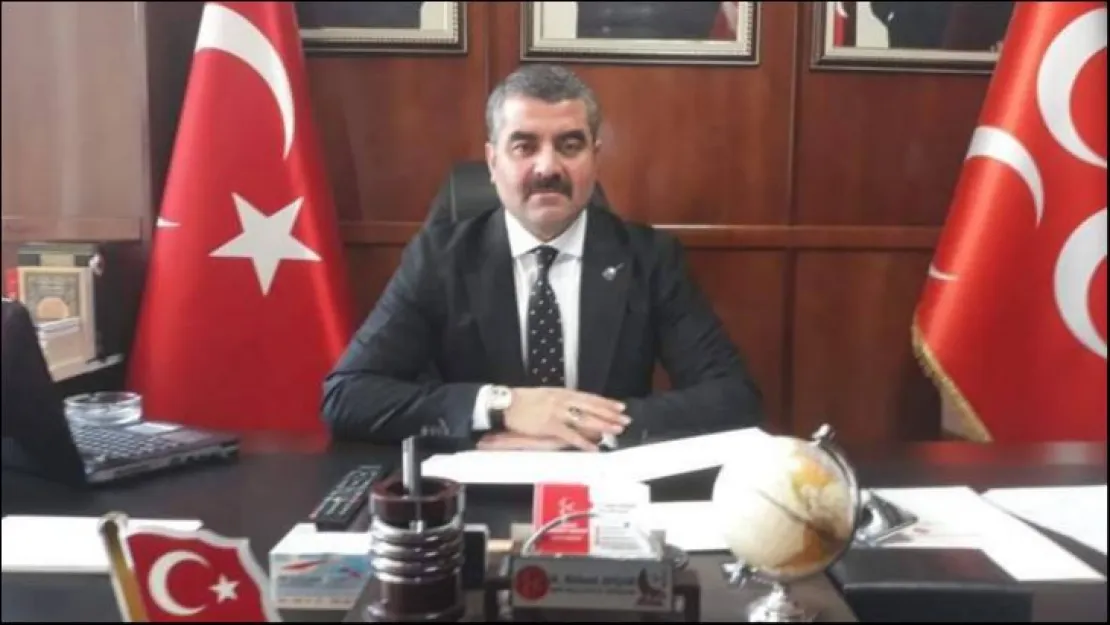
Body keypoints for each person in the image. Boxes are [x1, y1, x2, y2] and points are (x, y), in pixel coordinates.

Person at [321, 64, 764, 451]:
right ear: (493, 162)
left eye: (569, 145)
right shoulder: (439, 261)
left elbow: (733, 397)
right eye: (524, 146)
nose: (548, 167)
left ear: (595, 158)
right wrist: (501, 406)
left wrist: (585, 423)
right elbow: (347, 396)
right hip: (481, 486)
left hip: (605, 485)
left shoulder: (650, 259)